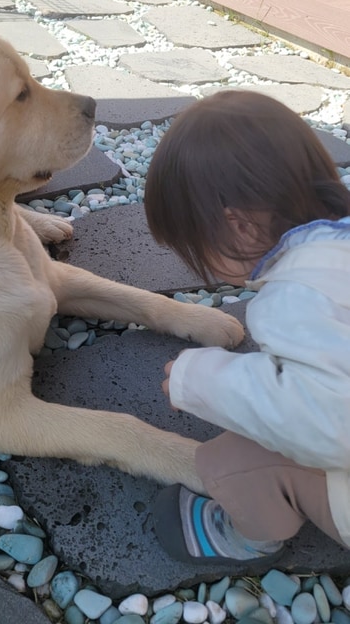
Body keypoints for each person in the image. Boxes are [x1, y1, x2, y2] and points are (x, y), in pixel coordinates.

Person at [144, 90, 350, 568]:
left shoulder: (297, 296)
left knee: (230, 460)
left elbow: (329, 425)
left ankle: (249, 538)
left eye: (194, 247)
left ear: (237, 226)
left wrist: (202, 380)